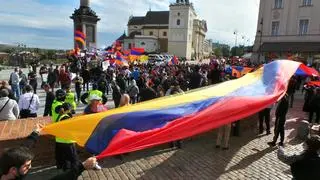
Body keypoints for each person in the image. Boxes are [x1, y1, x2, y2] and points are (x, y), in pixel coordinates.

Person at [0, 124, 98, 180]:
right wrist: (82, 166)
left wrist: (36, 132)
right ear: (13, 170)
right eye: (26, 166)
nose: (30, 167)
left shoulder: (10, 159)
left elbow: (25, 146)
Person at [54, 103, 79, 171]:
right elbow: (69, 128)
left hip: (60, 141)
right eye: (71, 109)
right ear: (68, 109)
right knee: (73, 159)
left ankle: (66, 172)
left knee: (65, 159)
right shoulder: (66, 117)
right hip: (68, 142)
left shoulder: (60, 116)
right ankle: (73, 173)